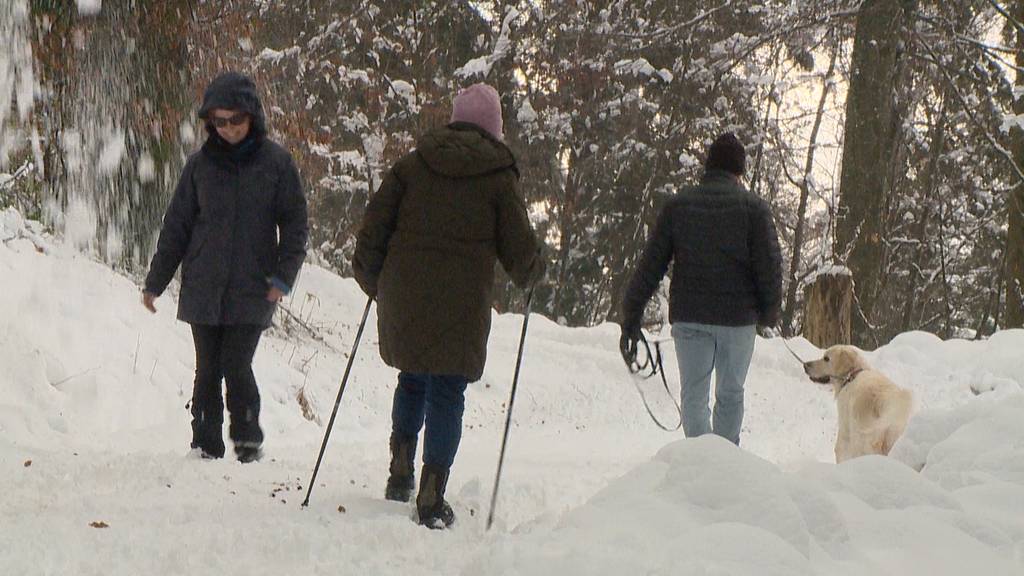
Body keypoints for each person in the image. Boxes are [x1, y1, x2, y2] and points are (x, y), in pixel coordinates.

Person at [352, 83, 544, 528]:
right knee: (447, 390)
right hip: (462, 304)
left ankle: (400, 467)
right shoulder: (499, 177)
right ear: (495, 128)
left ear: (454, 119)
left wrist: (371, 280)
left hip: (406, 295)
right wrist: (533, 271)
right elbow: (519, 250)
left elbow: (373, 227)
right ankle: (432, 492)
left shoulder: (412, 165)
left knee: (413, 378)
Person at [143, 72, 308, 463]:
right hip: (203, 283)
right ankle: (204, 444)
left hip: (255, 287)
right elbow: (177, 227)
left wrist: (284, 276)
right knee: (206, 369)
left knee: (236, 364)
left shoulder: (277, 164)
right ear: (209, 122)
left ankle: (247, 437)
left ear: (252, 116)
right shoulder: (199, 167)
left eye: (236, 119)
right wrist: (155, 282)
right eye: (220, 121)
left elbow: (297, 225)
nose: (229, 128)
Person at [620, 132, 782, 445]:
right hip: (738, 320)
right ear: (739, 172)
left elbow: (650, 265)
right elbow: (769, 266)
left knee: (693, 395)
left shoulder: (679, 206)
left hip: (691, 317)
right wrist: (769, 311)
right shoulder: (754, 208)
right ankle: (722, 465)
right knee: (731, 393)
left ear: (707, 167)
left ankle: (699, 460)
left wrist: (632, 313)